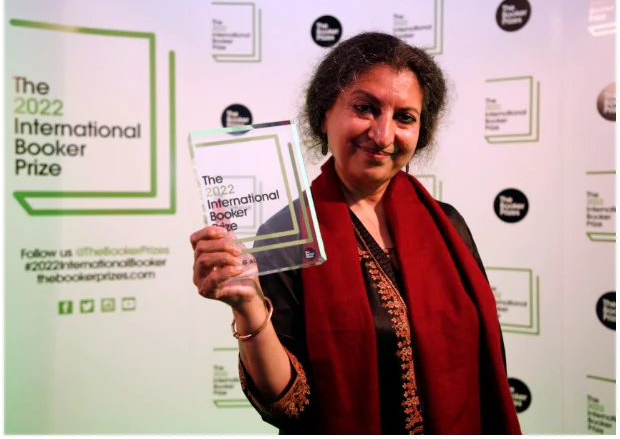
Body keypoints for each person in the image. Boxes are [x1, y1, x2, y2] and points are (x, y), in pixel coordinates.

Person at [190, 32, 522, 435]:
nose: (382, 135)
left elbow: (486, 367)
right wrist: (247, 307)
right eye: (365, 108)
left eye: (405, 117)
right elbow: (288, 405)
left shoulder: (448, 225)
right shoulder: (288, 233)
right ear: (325, 112)